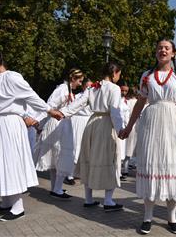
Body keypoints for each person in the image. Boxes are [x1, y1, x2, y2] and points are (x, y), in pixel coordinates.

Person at [119, 38, 176, 235]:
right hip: (151, 123)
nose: (162, 50)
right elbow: (139, 105)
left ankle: (172, 217)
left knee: (172, 166)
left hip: (173, 123)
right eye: (159, 47)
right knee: (151, 166)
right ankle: (147, 217)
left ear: (173, 53)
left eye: (166, 48)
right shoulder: (147, 76)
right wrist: (128, 127)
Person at [0, 50, 62, 221]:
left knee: (9, 162)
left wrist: (49, 110)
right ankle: (6, 202)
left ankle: (18, 206)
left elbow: (31, 95)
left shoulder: (11, 77)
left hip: (8, 126)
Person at [59, 61, 125, 212]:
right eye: (119, 74)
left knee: (89, 158)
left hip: (92, 124)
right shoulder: (114, 88)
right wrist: (120, 129)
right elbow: (115, 111)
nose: (118, 77)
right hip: (106, 124)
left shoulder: (92, 87)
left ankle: (88, 199)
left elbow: (78, 103)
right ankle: (108, 200)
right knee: (111, 159)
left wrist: (64, 113)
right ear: (114, 73)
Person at [34, 68, 84, 199]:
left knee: (58, 157)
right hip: (58, 124)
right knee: (62, 156)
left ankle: (56, 188)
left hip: (63, 124)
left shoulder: (67, 90)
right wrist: (39, 122)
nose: (80, 83)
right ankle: (56, 189)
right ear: (72, 78)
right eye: (79, 80)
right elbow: (49, 105)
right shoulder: (62, 89)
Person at [66, 78, 94, 185]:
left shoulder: (94, 97)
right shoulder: (77, 97)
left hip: (88, 122)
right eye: (87, 86)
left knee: (86, 148)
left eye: (91, 87)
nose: (89, 88)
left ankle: (81, 172)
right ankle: (70, 173)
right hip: (77, 122)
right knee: (75, 146)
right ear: (83, 86)